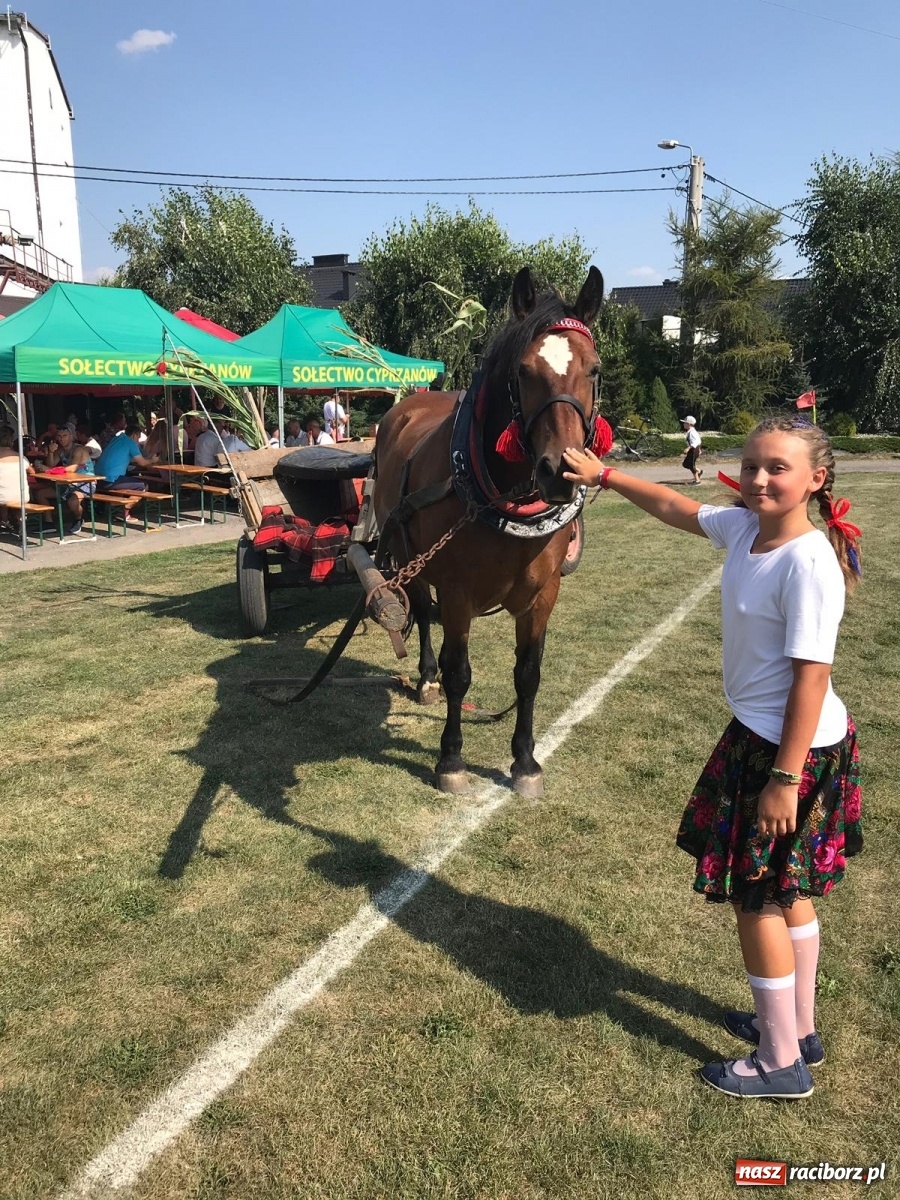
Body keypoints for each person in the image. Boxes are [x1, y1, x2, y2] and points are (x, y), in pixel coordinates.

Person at [563, 414, 862, 1101]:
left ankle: (780, 1060)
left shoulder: (807, 561)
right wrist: (604, 475)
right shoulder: (745, 530)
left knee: (756, 898)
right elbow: (677, 505)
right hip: (770, 736)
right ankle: (800, 1028)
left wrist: (784, 779)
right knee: (786, 894)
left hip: (789, 749)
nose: (759, 478)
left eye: (777, 468)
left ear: (816, 479)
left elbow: (811, 679)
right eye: (752, 464)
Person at [38, 425, 98, 534]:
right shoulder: (60, 450)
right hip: (68, 483)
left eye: (65, 435)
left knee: (73, 500)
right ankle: (49, 524)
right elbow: (50, 464)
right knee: (41, 494)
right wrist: (51, 452)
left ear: (71, 436)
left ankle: (78, 519)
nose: (62, 438)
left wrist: (49, 470)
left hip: (85, 483)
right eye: (59, 436)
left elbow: (71, 468)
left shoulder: (79, 449)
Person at [95, 423, 159, 524]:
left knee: (128, 481)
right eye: (138, 438)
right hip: (111, 480)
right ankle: (123, 513)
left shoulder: (117, 439)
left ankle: (114, 506)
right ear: (134, 435)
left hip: (98, 480)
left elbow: (126, 457)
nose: (138, 441)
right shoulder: (130, 443)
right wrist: (153, 460)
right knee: (144, 486)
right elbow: (142, 462)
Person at [0, 424, 25, 530]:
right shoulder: (18, 456)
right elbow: (31, 470)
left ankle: (4, 521)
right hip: (18, 494)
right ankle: (21, 526)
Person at [682, 415, 703, 484]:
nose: (683, 424)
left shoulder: (692, 432)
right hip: (693, 450)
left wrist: (688, 448)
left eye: (685, 423)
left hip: (693, 450)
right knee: (685, 464)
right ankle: (698, 471)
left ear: (689, 424)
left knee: (691, 465)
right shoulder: (691, 431)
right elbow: (698, 441)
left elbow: (696, 442)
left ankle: (697, 480)